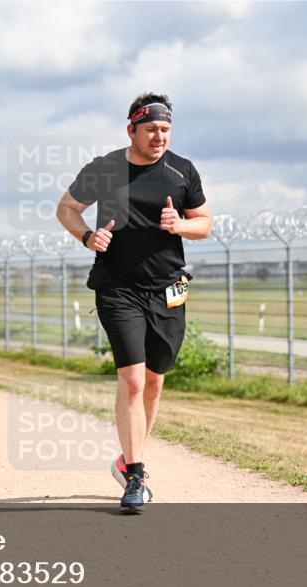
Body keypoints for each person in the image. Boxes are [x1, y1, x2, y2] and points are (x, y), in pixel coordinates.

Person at [56, 92, 213, 512]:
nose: (159, 136)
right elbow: (67, 208)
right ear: (132, 130)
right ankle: (136, 476)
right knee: (133, 380)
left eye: (165, 129)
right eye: (151, 129)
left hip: (167, 289)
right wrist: (86, 236)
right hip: (117, 287)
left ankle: (127, 458)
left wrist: (180, 225)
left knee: (155, 382)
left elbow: (205, 223)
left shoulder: (182, 170)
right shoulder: (104, 168)